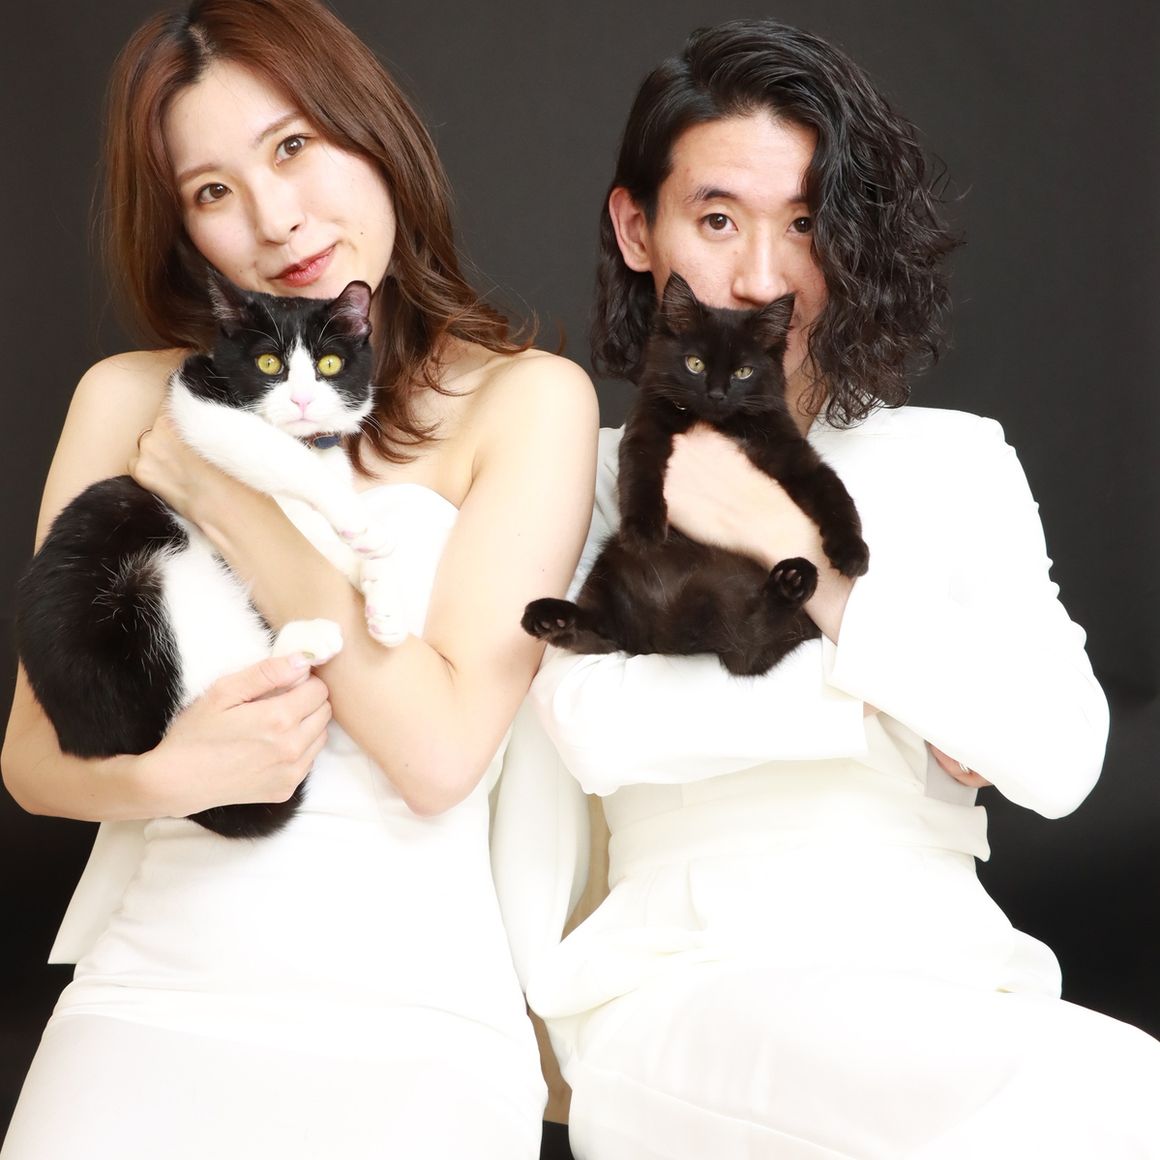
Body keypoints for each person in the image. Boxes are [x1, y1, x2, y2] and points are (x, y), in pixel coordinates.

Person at [522, 19, 1160, 1160]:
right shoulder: (580, 471)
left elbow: (1060, 756)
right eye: (718, 219)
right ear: (637, 228)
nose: (762, 276)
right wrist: (900, 701)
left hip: (954, 973)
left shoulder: (955, 458)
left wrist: (794, 553)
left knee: (1120, 1089)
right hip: (688, 984)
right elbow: (593, 724)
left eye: (806, 223)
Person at [0, 1, 596, 1157]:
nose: (275, 219)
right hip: (153, 988)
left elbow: (436, 753)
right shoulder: (123, 395)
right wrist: (176, 772)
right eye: (211, 189)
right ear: (184, 227)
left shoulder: (524, 400)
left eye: (291, 146)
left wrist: (223, 491)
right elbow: (29, 758)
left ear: (371, 131)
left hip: (413, 1019)